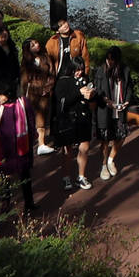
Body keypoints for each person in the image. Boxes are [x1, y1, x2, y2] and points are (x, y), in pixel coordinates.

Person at [50, 42, 96, 192]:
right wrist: (79, 93)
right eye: (77, 70)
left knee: (85, 147)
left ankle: (81, 176)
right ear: (71, 69)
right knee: (67, 150)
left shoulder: (86, 79)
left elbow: (90, 98)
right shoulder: (62, 82)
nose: (79, 73)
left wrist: (91, 95)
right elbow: (63, 101)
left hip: (83, 119)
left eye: (81, 70)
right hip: (68, 120)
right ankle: (66, 176)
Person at [0, 83, 37, 214]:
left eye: (2, 94)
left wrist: (32, 137)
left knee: (25, 175)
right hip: (5, 148)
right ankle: (5, 202)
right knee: (5, 177)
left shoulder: (23, 103)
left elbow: (30, 120)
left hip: (22, 147)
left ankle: (29, 203)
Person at [91, 46, 129, 181]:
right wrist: (105, 99)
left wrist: (127, 101)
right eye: (108, 59)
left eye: (113, 60)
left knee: (121, 136)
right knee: (105, 140)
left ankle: (111, 159)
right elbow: (96, 90)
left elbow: (129, 86)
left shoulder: (124, 70)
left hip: (119, 109)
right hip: (105, 110)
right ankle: (103, 165)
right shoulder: (101, 71)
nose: (110, 62)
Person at [21, 37, 54, 154]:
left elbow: (51, 73)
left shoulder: (45, 57)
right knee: (30, 117)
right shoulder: (26, 62)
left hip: (44, 92)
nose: (36, 45)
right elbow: (24, 80)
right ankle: (30, 144)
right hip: (32, 93)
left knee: (42, 117)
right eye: (33, 45)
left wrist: (48, 87)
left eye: (36, 42)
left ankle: (41, 143)